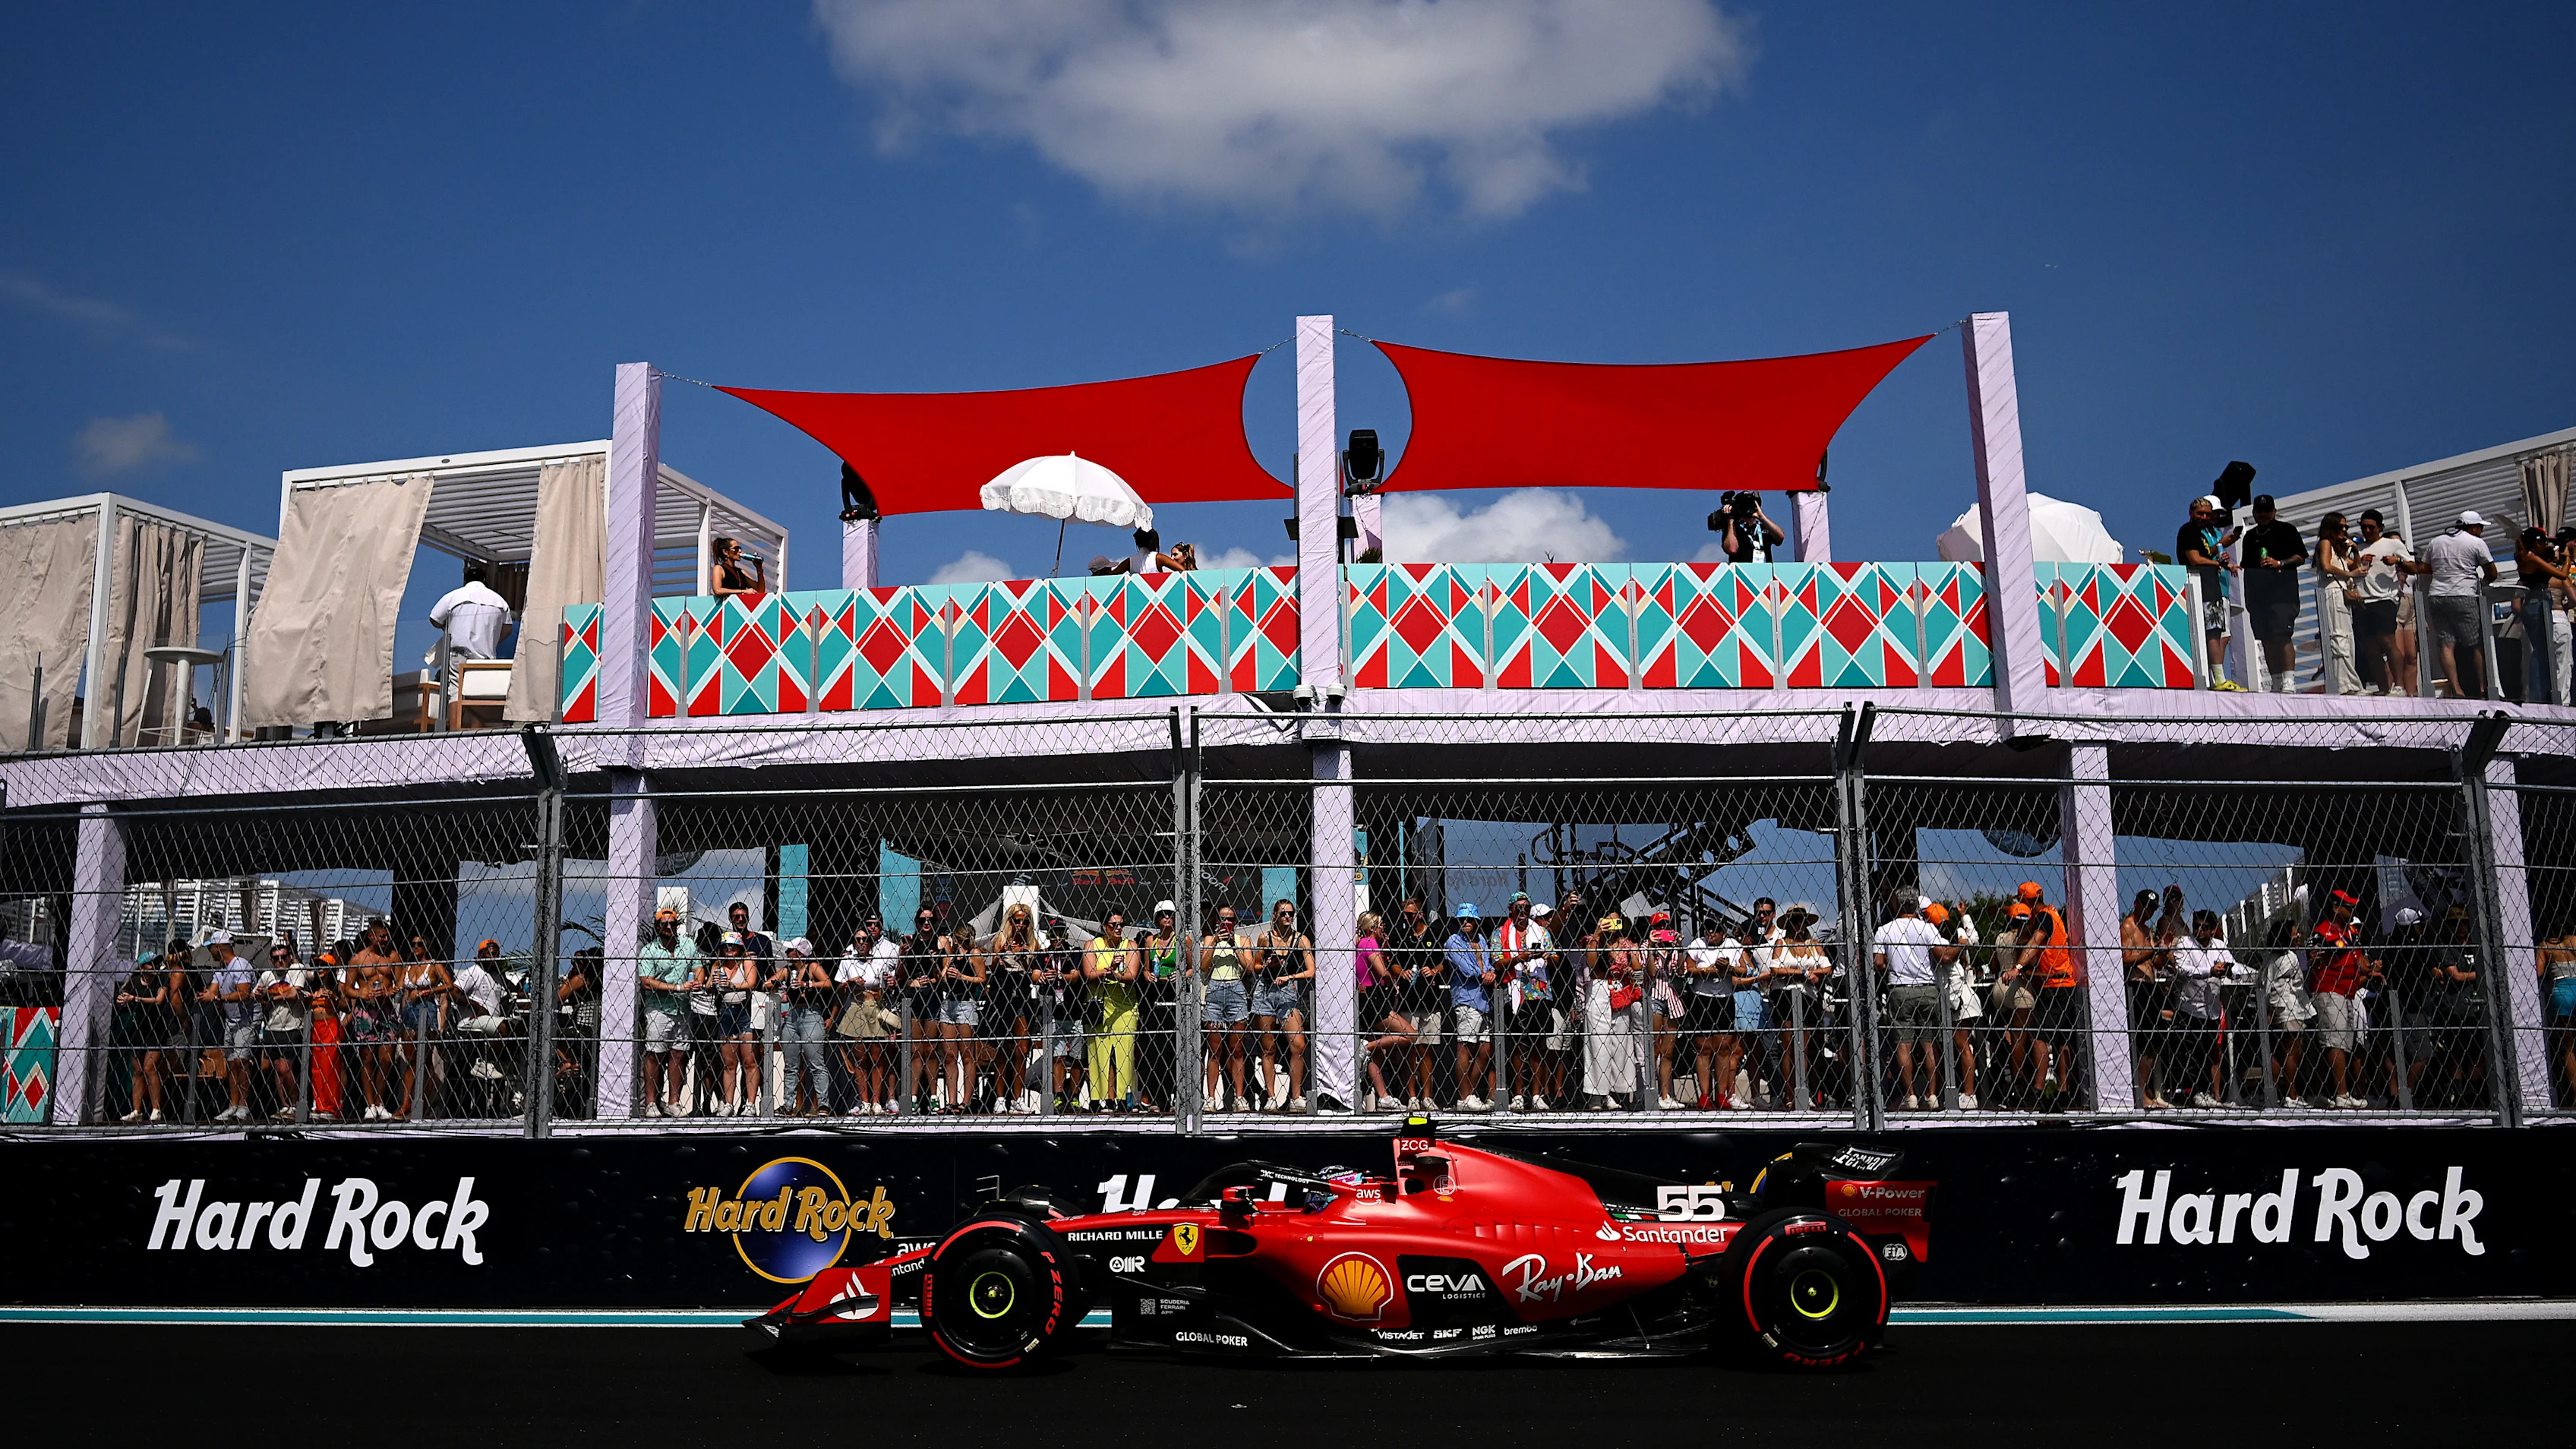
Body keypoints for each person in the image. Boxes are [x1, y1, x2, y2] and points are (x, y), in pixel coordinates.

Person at [1874, 895, 1958, 1111]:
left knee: (1903, 1045)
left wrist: (1894, 966)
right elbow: (1942, 956)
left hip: (1899, 988)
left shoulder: (1885, 929)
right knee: (1929, 1043)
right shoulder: (1927, 928)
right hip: (1926, 987)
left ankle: (1910, 1095)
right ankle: (1931, 1095)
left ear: (1896, 905)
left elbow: (1878, 962)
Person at [2012, 882, 2082, 1109]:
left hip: (2055, 985)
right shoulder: (2053, 913)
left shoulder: (2043, 918)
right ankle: (2064, 1090)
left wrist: (2018, 967)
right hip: (2064, 982)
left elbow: (2035, 942)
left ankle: (2038, 1090)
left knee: (2038, 1035)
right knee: (2062, 1039)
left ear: (2027, 901)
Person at [2423, 511, 2499, 699]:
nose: (2481, 531)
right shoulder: (2476, 542)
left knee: (2447, 644)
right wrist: (2483, 581)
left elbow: (2425, 568)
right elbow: (2492, 572)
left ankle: (2457, 689)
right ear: (2472, 527)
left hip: (2437, 596)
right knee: (2476, 643)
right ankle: (2483, 689)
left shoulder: (2436, 541)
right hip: (2464, 595)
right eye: (2480, 527)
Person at [2306, 890, 2370, 1110]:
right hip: (2329, 989)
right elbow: (2313, 957)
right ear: (2335, 908)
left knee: (2343, 1043)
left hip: (2348, 992)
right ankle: (2342, 1094)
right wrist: (2317, 956)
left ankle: (2320, 1092)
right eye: (2347, 906)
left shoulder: (2352, 931)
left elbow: (2361, 959)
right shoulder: (2322, 932)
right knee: (2335, 1042)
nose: (2352, 910)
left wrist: (2369, 968)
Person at [1250, 900, 1315, 1113]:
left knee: (1298, 1044)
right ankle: (1271, 1097)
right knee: (1268, 1048)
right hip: (1266, 990)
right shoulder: (1265, 938)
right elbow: (1256, 965)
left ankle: (1296, 1096)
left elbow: (1311, 970)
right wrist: (1268, 965)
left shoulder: (1300, 940)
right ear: (1275, 916)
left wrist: (1290, 976)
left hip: (1288, 991)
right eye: (1283, 914)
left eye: (1291, 914)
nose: (1288, 917)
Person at [2239, 494, 2308, 691]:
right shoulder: (2250, 537)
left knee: (2282, 635)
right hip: (2259, 596)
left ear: (2274, 512)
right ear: (2254, 513)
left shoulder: (2287, 530)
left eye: (2267, 511)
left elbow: (2301, 557)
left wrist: (2280, 563)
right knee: (2266, 638)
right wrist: (2249, 599)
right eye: (2259, 511)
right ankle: (2276, 680)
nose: (2263, 515)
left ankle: (2289, 679)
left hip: (2282, 594)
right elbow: (2247, 568)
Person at [1493, 894, 1555, 1112]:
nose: (1522, 912)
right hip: (1514, 994)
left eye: (1526, 908)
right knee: (1518, 1046)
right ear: (1510, 909)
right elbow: (1498, 963)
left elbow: (1555, 956)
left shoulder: (1542, 931)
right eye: (1518, 908)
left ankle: (1537, 1094)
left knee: (1539, 1044)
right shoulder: (1500, 934)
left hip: (1539, 993)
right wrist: (1519, 958)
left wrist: (1547, 956)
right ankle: (1518, 1094)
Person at [636, 908, 698, 1117]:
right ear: (658, 926)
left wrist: (698, 979)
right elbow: (646, 982)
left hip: (682, 1008)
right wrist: (678, 988)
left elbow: (698, 967)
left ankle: (674, 1101)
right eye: (665, 924)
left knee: (679, 1055)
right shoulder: (648, 951)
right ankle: (651, 1102)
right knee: (654, 1054)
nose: (669, 927)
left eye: (672, 924)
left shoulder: (688, 945)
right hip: (658, 1009)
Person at [1353, 911, 1417, 1113]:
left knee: (1378, 1055)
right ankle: (1367, 1045)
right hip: (1373, 997)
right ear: (1372, 928)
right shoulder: (1369, 943)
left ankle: (1384, 1096)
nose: (1384, 930)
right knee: (1410, 1035)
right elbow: (1382, 972)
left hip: (1368, 996)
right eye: (1382, 926)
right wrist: (1396, 977)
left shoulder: (1363, 944)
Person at [2177, 496, 2243, 687]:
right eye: (2201, 514)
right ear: (2191, 513)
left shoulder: (2202, 533)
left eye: (2208, 514)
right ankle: (2218, 679)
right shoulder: (2189, 531)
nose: (2205, 517)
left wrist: (2221, 553)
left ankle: (2216, 678)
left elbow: (2203, 555)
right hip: (2202, 586)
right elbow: (2195, 559)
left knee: (2218, 632)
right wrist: (2219, 563)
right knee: (2212, 632)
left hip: (2212, 586)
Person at [2351, 510, 2419, 696]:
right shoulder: (2357, 548)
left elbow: (2413, 568)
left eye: (2371, 527)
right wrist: (2357, 560)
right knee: (2370, 647)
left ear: (2380, 527)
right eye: (2364, 527)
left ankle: (2399, 686)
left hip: (2384, 599)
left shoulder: (2392, 544)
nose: (2367, 530)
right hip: (2362, 601)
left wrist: (2397, 560)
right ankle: (2383, 688)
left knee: (2388, 642)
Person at [983, 904, 1043, 1113]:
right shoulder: (1000, 940)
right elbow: (991, 967)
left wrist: (1025, 955)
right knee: (1002, 1047)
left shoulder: (1033, 943)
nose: (1021, 925)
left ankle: (1017, 1099)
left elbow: (1035, 973)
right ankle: (1000, 1098)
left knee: (1022, 1049)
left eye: (1025, 921)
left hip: (1022, 994)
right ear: (1009, 921)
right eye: (1016, 921)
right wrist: (1002, 953)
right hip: (1003, 992)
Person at [1580, 914, 1643, 1110]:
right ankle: (1597, 1096)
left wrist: (1634, 958)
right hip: (1599, 986)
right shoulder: (1592, 939)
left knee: (1620, 1043)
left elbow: (1638, 970)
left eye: (1616, 922)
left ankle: (1616, 1092)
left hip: (1620, 989)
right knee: (1598, 1042)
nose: (1613, 926)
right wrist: (1599, 933)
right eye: (1608, 920)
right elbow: (1590, 963)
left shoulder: (1626, 943)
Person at [343, 923, 405, 1121]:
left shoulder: (393, 957)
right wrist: (361, 992)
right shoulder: (358, 959)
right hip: (366, 1011)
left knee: (387, 1058)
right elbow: (347, 988)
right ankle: (370, 1105)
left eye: (388, 936)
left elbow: (401, 980)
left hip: (386, 1010)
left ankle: (380, 1102)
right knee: (368, 1058)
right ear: (371, 936)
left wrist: (391, 991)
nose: (386, 940)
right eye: (382, 936)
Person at [195, 932, 257, 1122]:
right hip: (231, 1021)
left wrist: (218, 998)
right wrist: (206, 995)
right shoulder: (221, 969)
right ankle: (233, 1104)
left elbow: (244, 993)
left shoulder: (240, 965)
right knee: (231, 1064)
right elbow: (213, 990)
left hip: (247, 1020)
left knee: (241, 1061)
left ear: (219, 947)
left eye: (210, 947)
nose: (209, 951)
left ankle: (244, 1106)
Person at [1080, 911, 1139, 1113]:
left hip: (1125, 1006)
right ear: (1105, 927)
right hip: (1100, 1005)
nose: (1118, 928)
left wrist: (1113, 973)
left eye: (1121, 924)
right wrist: (1109, 969)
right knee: (1098, 1052)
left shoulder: (1130, 945)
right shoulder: (1092, 945)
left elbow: (1131, 974)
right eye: (1114, 925)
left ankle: (1124, 1099)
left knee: (1125, 1054)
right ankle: (1100, 1099)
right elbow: (1089, 973)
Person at [1196, 906, 1254, 1111]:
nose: (1226, 923)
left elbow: (1249, 967)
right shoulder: (1209, 940)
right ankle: (1211, 1098)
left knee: (1237, 1050)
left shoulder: (1243, 941)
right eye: (1222, 919)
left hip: (1236, 989)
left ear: (1235, 922)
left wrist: (1233, 945)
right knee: (1215, 1050)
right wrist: (1215, 942)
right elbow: (1203, 967)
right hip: (1215, 990)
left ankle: (1239, 1097)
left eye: (1230, 919)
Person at [2121, 889, 2174, 1109]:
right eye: (2147, 906)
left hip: (2151, 986)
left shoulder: (2147, 929)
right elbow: (2124, 958)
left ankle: (2145, 1091)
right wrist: (2153, 950)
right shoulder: (2128, 926)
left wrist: (2163, 951)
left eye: (2153, 908)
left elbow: (2155, 965)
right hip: (2136, 987)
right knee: (2143, 1043)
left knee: (2155, 1041)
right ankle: (2141, 1094)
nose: (2150, 911)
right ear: (2136, 904)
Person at [112, 950, 176, 1123]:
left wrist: (135, 998)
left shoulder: (162, 979)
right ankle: (137, 1110)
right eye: (151, 964)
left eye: (156, 963)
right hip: (139, 1028)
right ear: (142, 967)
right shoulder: (133, 981)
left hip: (156, 1028)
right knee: (138, 1070)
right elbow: (123, 996)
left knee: (150, 1068)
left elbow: (159, 1000)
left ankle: (156, 1109)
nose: (155, 966)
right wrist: (123, 999)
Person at [1684, 920, 1742, 1110]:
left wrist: (1728, 969)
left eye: (1715, 930)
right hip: (1702, 998)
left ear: (1723, 933)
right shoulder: (1697, 944)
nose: (1710, 933)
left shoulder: (1733, 945)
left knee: (1724, 1046)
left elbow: (1744, 969)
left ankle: (1721, 1095)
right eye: (1707, 929)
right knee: (1703, 1047)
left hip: (1724, 998)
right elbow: (1688, 968)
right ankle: (1704, 1095)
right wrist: (1706, 971)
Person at [934, 914, 990, 1113]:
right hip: (949, 1002)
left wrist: (962, 976)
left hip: (966, 1004)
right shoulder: (951, 954)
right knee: (949, 1055)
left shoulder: (975, 953)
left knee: (967, 1055)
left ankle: (967, 1101)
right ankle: (951, 1101)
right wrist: (945, 970)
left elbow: (982, 979)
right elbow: (943, 977)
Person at [1444, 903, 1496, 1111]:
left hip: (1484, 1000)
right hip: (1466, 999)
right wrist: (1483, 968)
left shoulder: (1482, 940)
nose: (1466, 922)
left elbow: (1488, 965)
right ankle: (1464, 1097)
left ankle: (1469, 1094)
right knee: (1465, 1046)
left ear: (1476, 922)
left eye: (1470, 919)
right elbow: (1469, 970)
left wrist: (1490, 971)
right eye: (1462, 919)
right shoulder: (1453, 942)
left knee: (1486, 1048)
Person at [257, 941, 312, 1119]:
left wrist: (272, 996)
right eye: (276, 958)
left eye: (283, 957)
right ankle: (285, 1106)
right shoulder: (267, 975)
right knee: (276, 1071)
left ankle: (296, 1105)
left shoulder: (297, 970)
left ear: (289, 958)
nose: (280, 961)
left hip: (292, 1026)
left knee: (285, 1069)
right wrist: (262, 997)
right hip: (272, 1027)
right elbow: (257, 995)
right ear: (271, 960)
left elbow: (294, 994)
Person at [2514, 526, 2568, 704]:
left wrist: (2552, 558)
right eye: (2543, 542)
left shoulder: (2525, 557)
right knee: (2541, 653)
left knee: (2541, 651)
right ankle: (2539, 697)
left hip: (2534, 604)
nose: (2546, 545)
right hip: (2539, 604)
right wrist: (2567, 559)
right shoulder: (2532, 558)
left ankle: (2541, 693)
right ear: (2535, 544)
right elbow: (2561, 575)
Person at [2313, 513, 2363, 695]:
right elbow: (2326, 566)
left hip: (2342, 594)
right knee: (2338, 637)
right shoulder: (2325, 543)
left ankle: (2351, 682)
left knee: (2347, 638)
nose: (2344, 530)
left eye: (2346, 527)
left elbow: (2354, 566)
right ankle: (2343, 684)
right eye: (2340, 527)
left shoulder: (2340, 551)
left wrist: (2356, 550)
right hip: (2332, 592)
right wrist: (2350, 575)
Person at [427, 560, 513, 662]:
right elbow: (508, 628)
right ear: (485, 580)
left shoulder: (452, 597)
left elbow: (434, 619)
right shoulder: (499, 601)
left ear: (465, 581)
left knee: (455, 678)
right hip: (486, 659)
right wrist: (492, 639)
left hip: (458, 657)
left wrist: (449, 627)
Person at [2540, 923, 2576, 1109]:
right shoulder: (2574, 941)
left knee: (2568, 1047)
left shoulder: (2545, 946)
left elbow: (2537, 972)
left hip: (2561, 991)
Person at [1715, 493, 1783, 564]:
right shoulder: (1733, 529)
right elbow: (1732, 549)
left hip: (1765, 572)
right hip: (1742, 573)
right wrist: (1730, 520)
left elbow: (1780, 537)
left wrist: (1762, 517)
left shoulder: (1765, 527)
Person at [709, 535, 766, 601]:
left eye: (740, 549)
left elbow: (760, 590)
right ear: (725, 552)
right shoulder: (719, 568)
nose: (739, 551)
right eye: (736, 549)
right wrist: (743, 592)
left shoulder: (741, 572)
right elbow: (718, 590)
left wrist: (759, 570)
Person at [1121, 528, 1185, 575]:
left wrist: (1110, 565)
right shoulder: (1158, 558)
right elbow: (1182, 570)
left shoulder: (1130, 561)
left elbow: (1112, 575)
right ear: (1153, 542)